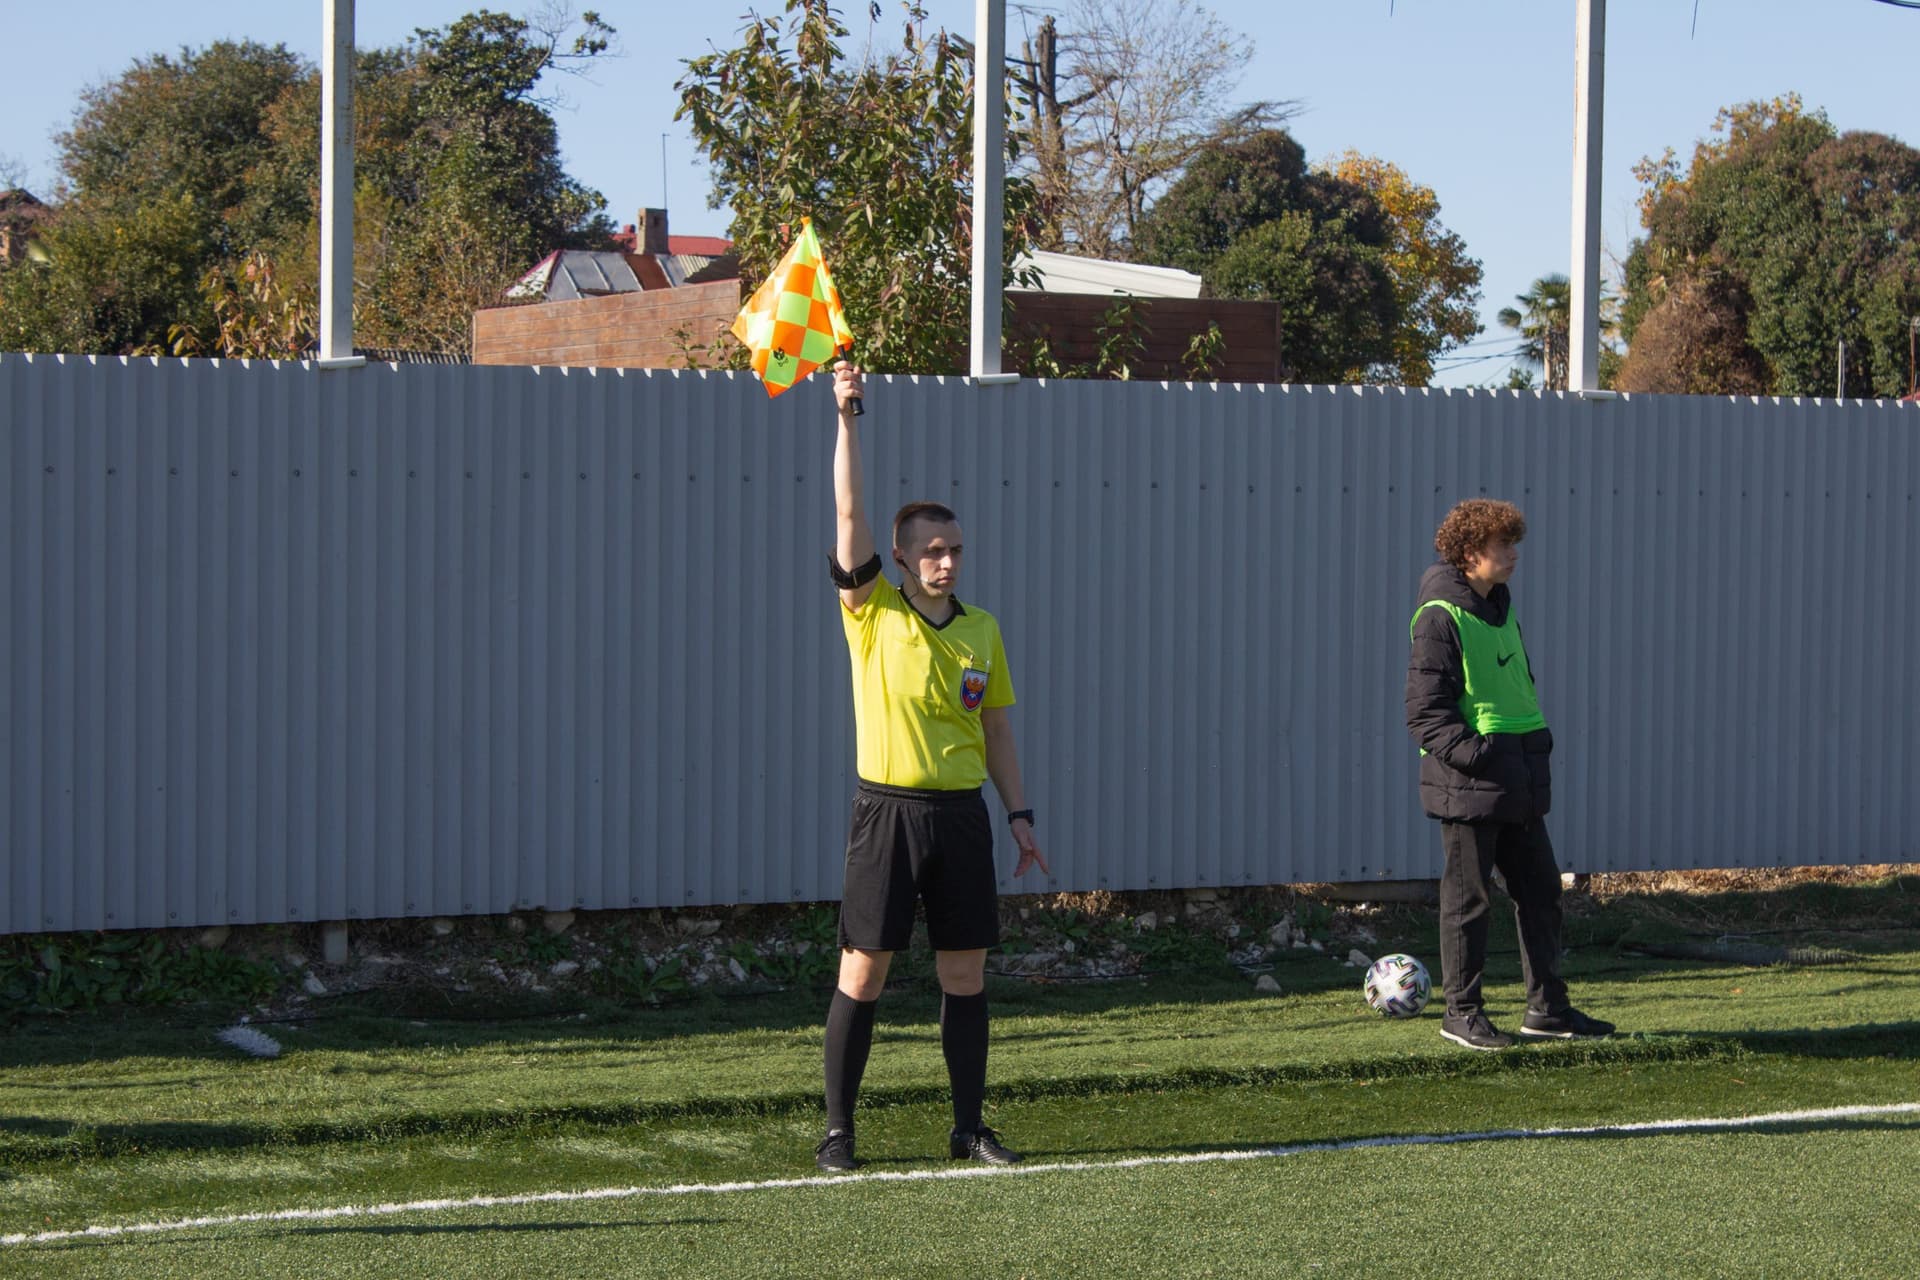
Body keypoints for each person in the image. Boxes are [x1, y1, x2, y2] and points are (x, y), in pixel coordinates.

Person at [815, 361, 1049, 1172]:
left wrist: (1019, 816)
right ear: (903, 559)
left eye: (955, 549)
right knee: (865, 970)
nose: (946, 561)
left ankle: (968, 1127)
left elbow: (999, 733)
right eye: (933, 550)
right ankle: (840, 1131)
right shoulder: (871, 611)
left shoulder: (982, 628)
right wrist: (848, 417)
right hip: (887, 814)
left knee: (964, 974)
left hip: (961, 818)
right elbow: (848, 510)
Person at [1404, 499, 1614, 1051]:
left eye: (1513, 543)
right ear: (1471, 553)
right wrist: (1479, 757)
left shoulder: (1500, 605)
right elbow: (1425, 713)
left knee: (1542, 892)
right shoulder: (1439, 616)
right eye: (1504, 546)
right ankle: (1461, 1013)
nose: (1514, 555)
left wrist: (1526, 755)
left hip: (1518, 782)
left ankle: (1547, 1010)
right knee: (1469, 902)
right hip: (1471, 786)